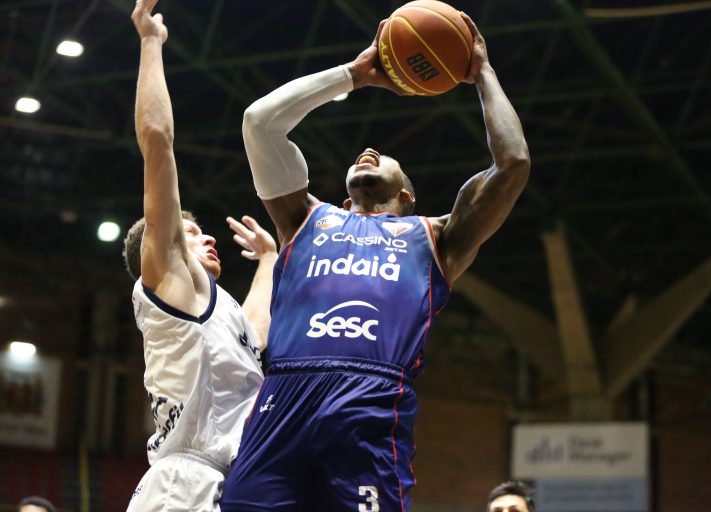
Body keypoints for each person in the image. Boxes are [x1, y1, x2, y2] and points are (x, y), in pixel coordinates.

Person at [220, 11, 529, 512]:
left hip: (367, 402)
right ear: (344, 201)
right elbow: (259, 122)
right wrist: (354, 75)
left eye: (384, 156)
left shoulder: (436, 237)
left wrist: (482, 73)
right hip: (283, 397)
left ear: (407, 195)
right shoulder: (305, 219)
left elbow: (512, 164)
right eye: (364, 154)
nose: (368, 150)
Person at [122, 1, 277, 510]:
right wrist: (151, 42)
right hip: (180, 486)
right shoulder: (170, 282)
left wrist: (269, 260)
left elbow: (255, 335)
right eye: (190, 234)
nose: (207, 238)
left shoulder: (217, 309)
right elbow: (157, 140)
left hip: (227, 483)